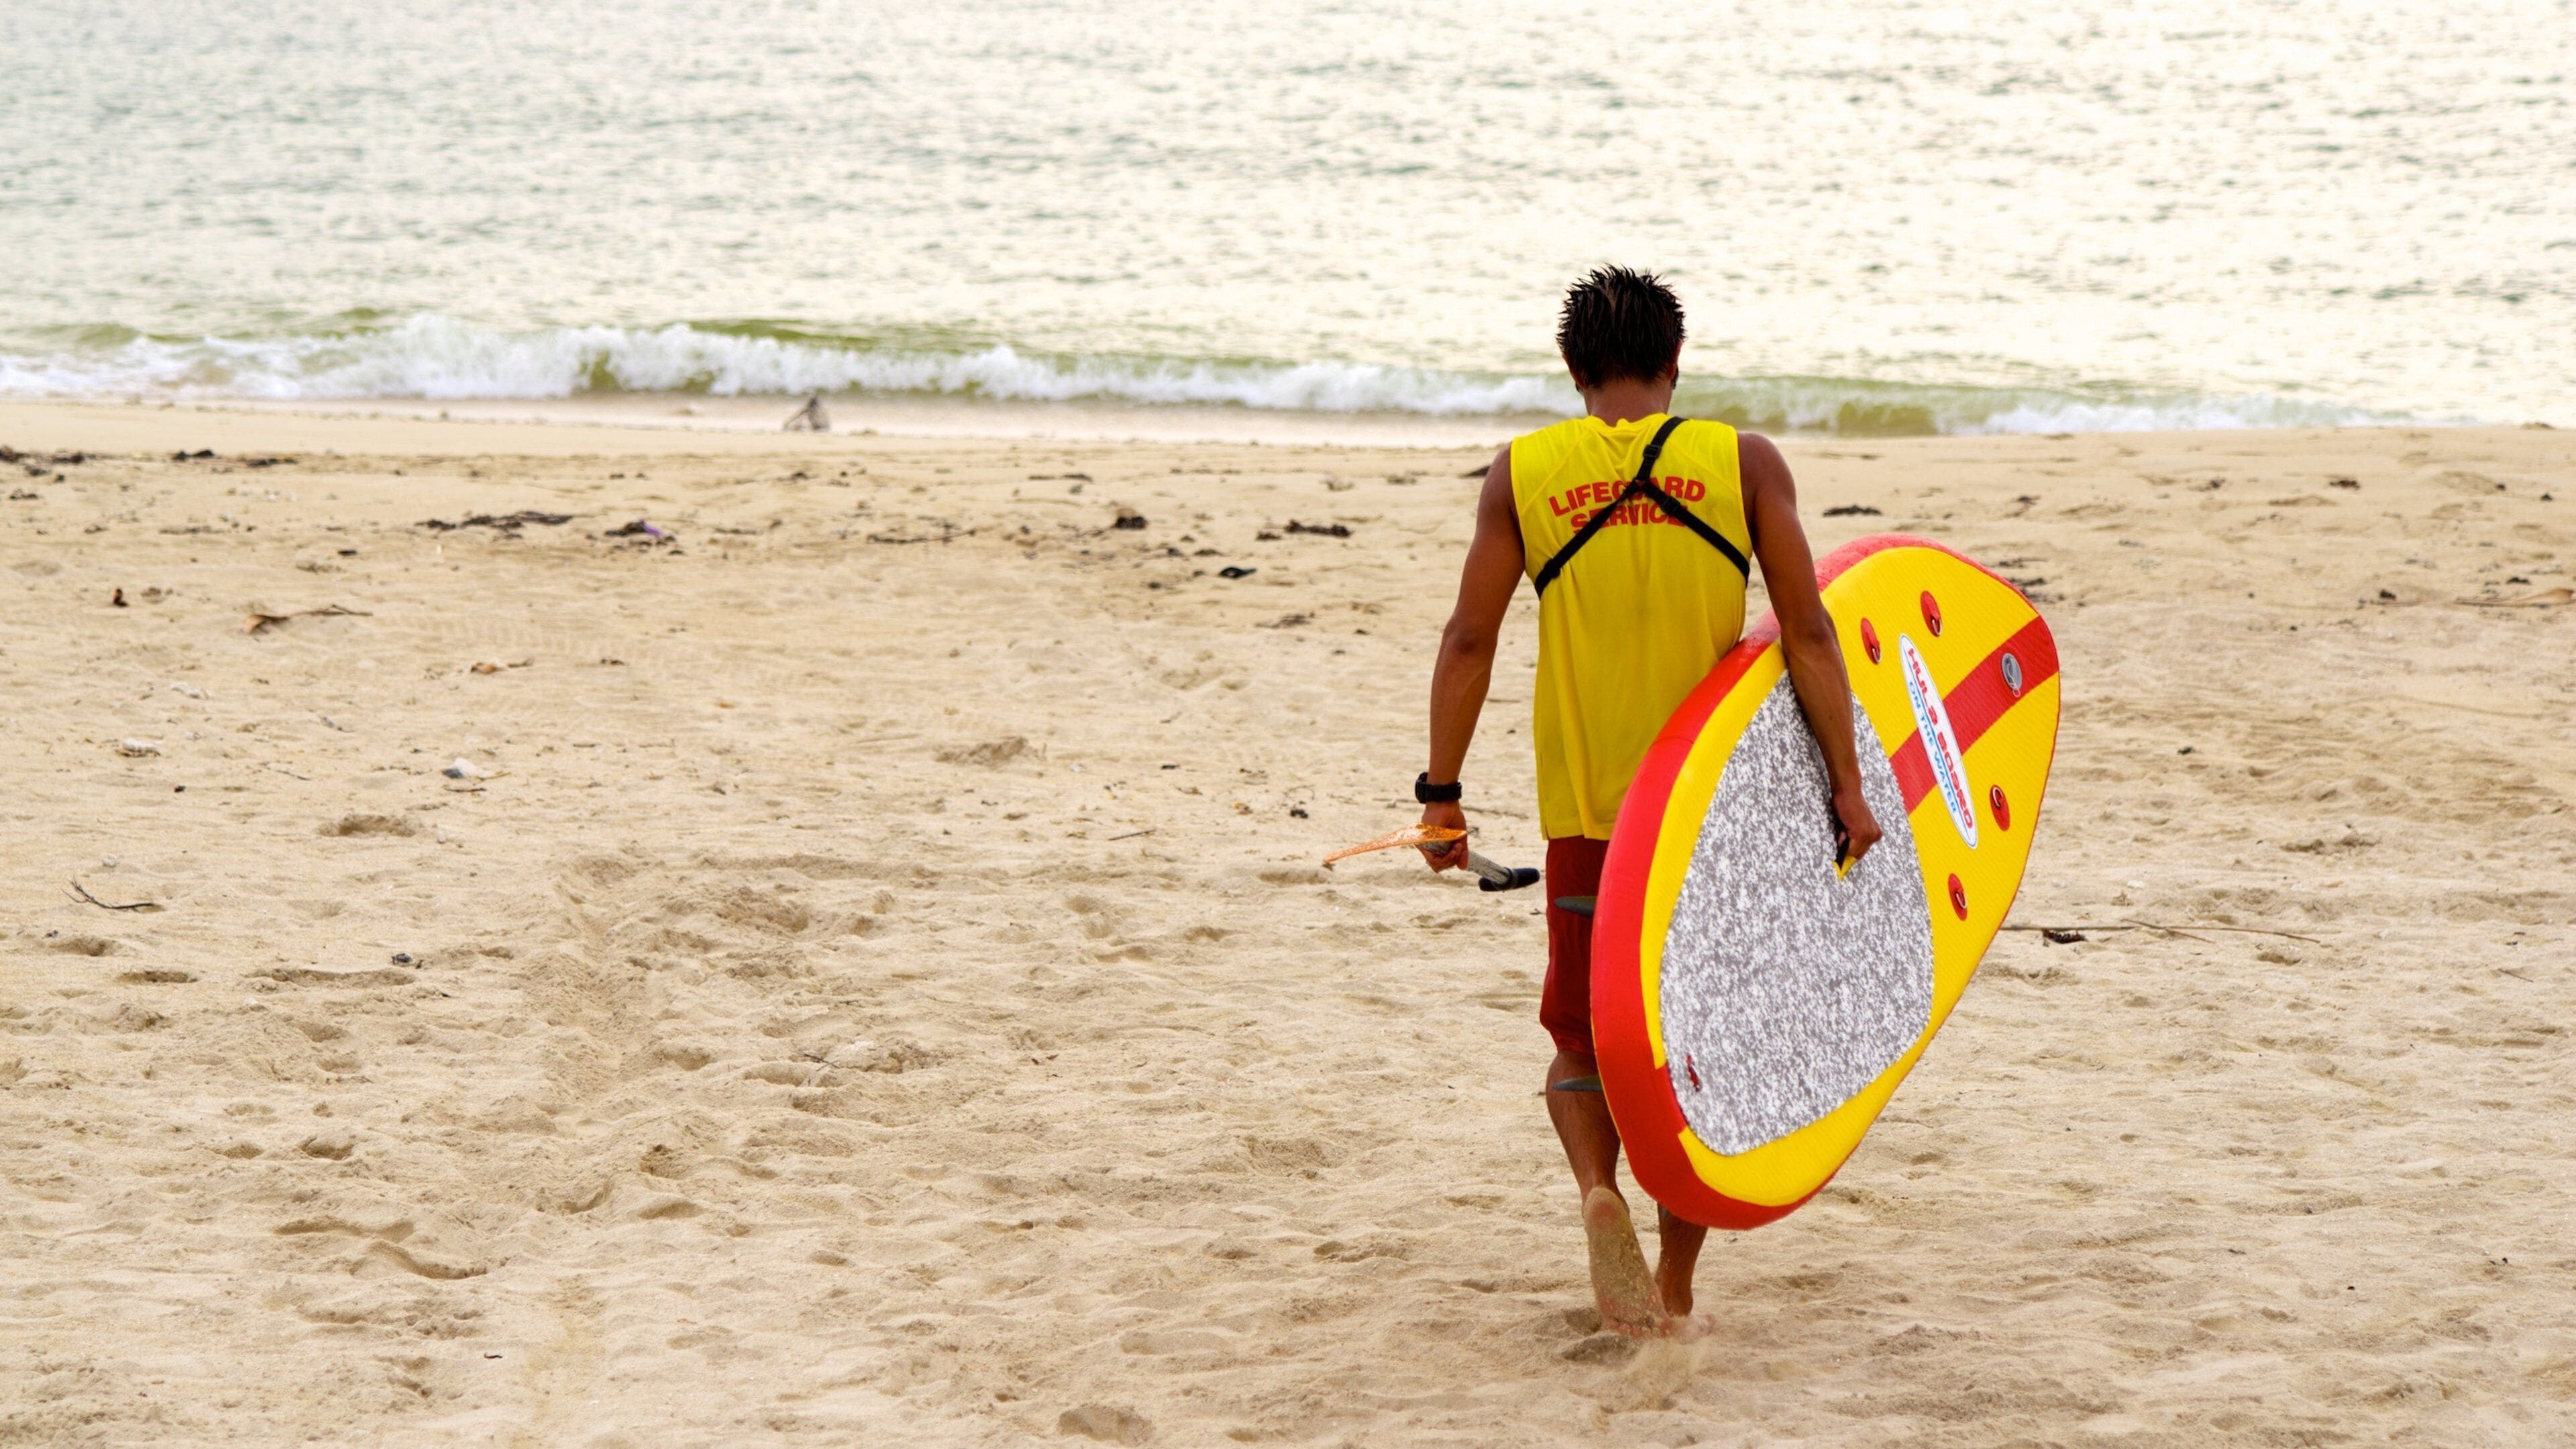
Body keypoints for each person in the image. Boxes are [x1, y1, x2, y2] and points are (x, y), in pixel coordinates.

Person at [1415, 266, 1883, 1337]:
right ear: (1677, 365)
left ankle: (1595, 1190)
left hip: (1586, 812)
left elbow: (1468, 639)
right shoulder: (1740, 462)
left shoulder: (1522, 475)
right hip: (1705, 816)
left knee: (1584, 1042)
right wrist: (1849, 787)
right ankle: (1672, 1291)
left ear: (1575, 371)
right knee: (1693, 1057)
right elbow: (1809, 633)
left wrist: (1441, 795)